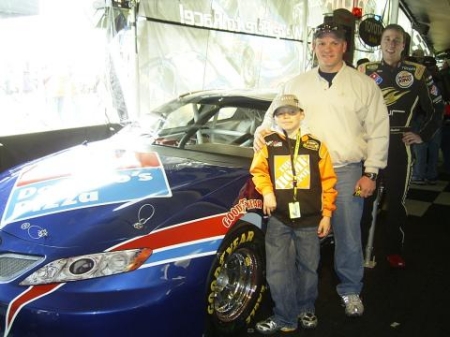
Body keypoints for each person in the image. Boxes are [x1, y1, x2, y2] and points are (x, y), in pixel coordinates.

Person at [254, 23, 389, 318]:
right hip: (299, 171)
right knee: (301, 237)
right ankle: (297, 300)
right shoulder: (296, 83)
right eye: (321, 43)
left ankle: (351, 288)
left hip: (345, 171)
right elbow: (271, 118)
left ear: (344, 47)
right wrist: (262, 132)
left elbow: (379, 130)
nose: (327, 49)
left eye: (334, 43)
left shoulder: (364, 85)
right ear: (314, 47)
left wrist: (372, 172)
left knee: (348, 233)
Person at [250, 94, 337, 334]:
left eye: (291, 112)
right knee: (278, 270)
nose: (286, 116)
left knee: (309, 268)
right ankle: (284, 316)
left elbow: (329, 182)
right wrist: (267, 192)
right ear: (275, 117)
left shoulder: (316, 146)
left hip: (310, 220)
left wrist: (327, 214)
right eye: (281, 113)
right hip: (279, 218)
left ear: (302, 115)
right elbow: (258, 172)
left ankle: (305, 309)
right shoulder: (268, 144)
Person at [359, 24, 443, 268]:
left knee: (396, 201)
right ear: (381, 42)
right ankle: (358, 248)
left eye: (396, 40)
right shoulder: (365, 70)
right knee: (362, 198)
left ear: (403, 44)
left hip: (398, 145)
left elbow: (437, 106)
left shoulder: (418, 73)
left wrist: (422, 134)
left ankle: (393, 250)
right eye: (387, 39)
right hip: (369, 144)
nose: (391, 44)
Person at [411, 56, 445, 185]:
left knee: (420, 145)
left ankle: (419, 174)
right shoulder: (441, 76)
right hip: (438, 115)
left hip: (421, 115)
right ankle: (432, 174)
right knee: (434, 146)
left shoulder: (421, 76)